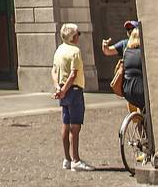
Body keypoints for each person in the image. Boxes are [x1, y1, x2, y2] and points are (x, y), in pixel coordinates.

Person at [52, 23, 92, 171]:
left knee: (65, 123)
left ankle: (67, 159)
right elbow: (73, 74)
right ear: (73, 36)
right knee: (75, 126)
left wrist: (58, 87)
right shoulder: (75, 51)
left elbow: (54, 71)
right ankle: (76, 159)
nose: (79, 37)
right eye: (78, 34)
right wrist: (64, 89)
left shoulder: (59, 50)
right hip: (74, 90)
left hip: (64, 90)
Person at [101, 20, 146, 113]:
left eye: (132, 29)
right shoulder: (124, 43)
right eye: (128, 29)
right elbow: (108, 51)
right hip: (136, 84)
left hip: (128, 86)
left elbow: (108, 51)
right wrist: (105, 46)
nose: (129, 31)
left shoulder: (128, 45)